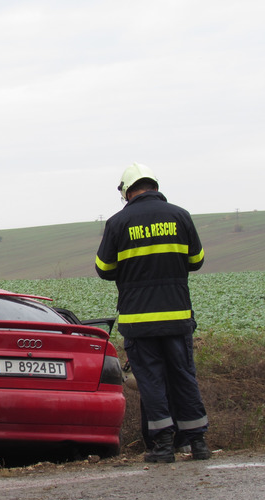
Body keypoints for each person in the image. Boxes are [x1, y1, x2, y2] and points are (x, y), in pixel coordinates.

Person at [95, 162, 211, 462]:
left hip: (139, 322)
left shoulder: (118, 223)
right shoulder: (180, 216)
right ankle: (197, 443)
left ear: (127, 192)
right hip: (177, 317)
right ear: (155, 187)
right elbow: (196, 260)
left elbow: (104, 269)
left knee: (151, 381)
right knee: (184, 377)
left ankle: (162, 446)